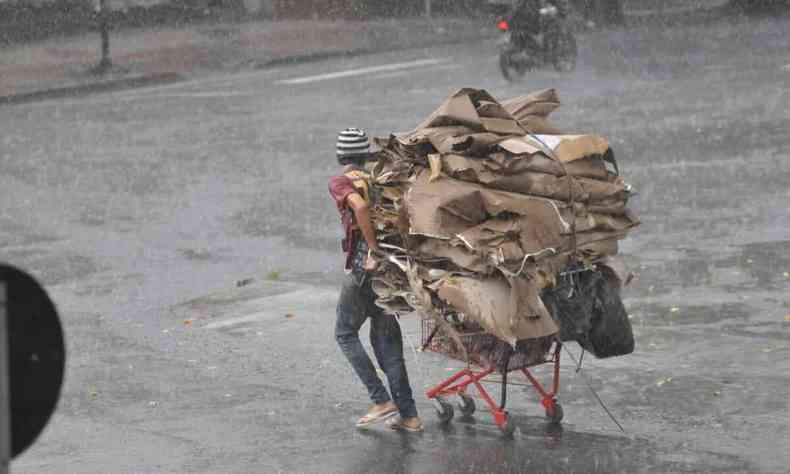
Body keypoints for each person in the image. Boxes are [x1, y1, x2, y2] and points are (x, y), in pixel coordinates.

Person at [328, 128, 423, 432]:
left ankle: (380, 399)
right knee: (387, 343)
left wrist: (372, 249)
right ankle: (410, 416)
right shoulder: (377, 179)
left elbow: (360, 207)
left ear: (342, 154)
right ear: (364, 153)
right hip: (385, 272)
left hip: (363, 269)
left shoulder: (340, 182)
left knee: (344, 333)